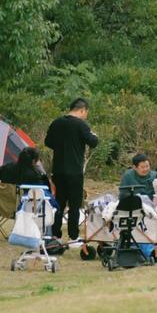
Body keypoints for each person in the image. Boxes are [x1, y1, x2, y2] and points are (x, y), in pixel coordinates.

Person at [45, 98, 99, 247]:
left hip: (58, 170)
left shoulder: (56, 123)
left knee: (59, 203)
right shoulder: (81, 125)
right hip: (74, 170)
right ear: (82, 110)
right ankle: (73, 237)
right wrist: (93, 135)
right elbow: (93, 142)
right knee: (75, 204)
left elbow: (47, 142)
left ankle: (55, 234)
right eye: (86, 113)